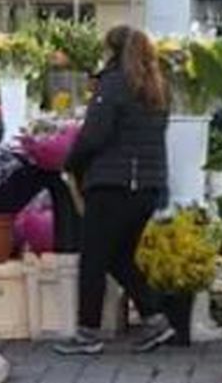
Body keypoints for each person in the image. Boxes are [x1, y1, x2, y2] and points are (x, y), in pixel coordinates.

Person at [55, 26, 173, 356]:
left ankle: (87, 332)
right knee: (120, 257)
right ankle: (155, 318)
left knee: (93, 258)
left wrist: (71, 163)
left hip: (112, 184)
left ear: (113, 50)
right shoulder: (157, 88)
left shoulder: (114, 83)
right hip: (147, 187)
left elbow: (94, 134)